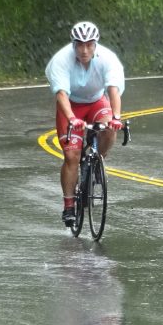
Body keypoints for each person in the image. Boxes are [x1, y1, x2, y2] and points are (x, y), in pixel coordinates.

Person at [45, 20, 125, 227]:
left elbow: (113, 91)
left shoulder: (108, 59)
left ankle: (99, 160)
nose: (84, 50)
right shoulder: (61, 60)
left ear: (95, 44)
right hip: (71, 105)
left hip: (97, 101)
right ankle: (69, 205)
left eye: (89, 44)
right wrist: (72, 118)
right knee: (71, 155)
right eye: (80, 45)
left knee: (109, 128)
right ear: (73, 44)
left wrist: (116, 117)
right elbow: (61, 95)